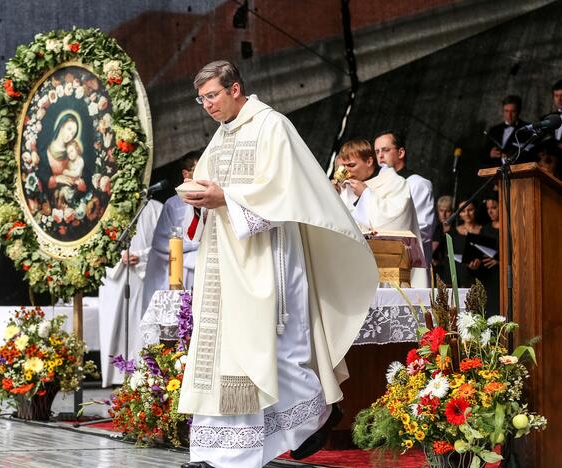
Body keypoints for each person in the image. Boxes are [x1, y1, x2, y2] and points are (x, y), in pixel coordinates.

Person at [178, 60, 378, 468]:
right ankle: (217, 452)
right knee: (225, 352)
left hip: (270, 255)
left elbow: (288, 194)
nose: (207, 105)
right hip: (227, 263)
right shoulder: (220, 137)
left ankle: (308, 418)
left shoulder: (273, 127)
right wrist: (200, 197)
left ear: (235, 89)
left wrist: (225, 199)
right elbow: (210, 184)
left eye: (212, 95)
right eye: (202, 99)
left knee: (273, 349)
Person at [334, 139, 425, 286]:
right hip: (353, 269)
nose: (346, 172)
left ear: (369, 161)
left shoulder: (394, 183)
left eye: (351, 166)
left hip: (389, 269)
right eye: (342, 167)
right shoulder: (347, 187)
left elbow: (395, 221)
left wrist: (366, 195)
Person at [97, 198, 163, 387]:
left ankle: (142, 376)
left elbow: (168, 242)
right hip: (115, 278)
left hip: (144, 274)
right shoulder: (106, 206)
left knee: (140, 324)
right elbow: (97, 245)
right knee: (115, 324)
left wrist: (142, 257)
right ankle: (118, 377)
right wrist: (118, 257)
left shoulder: (156, 208)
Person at [142, 151, 201, 310]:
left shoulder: (212, 202)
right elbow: (162, 244)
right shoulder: (173, 205)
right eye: (199, 170)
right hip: (177, 273)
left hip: (203, 270)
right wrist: (198, 247)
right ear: (186, 174)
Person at [373, 130, 435, 271]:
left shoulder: (418, 184)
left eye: (385, 150)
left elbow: (423, 229)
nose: (380, 156)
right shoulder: (375, 187)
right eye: (377, 152)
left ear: (400, 153)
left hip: (410, 264)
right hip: (379, 261)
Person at [467, 198, 500, 317]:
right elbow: (479, 254)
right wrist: (474, 264)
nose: (490, 212)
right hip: (487, 277)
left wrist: (499, 261)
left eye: (494, 208)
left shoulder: (510, 228)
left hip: (501, 277)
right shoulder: (484, 229)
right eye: (488, 209)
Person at [484, 95, 532, 168]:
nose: (509, 115)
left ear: (519, 111)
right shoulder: (494, 130)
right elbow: (482, 154)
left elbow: (532, 154)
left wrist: (513, 156)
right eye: (506, 111)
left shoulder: (527, 128)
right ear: (502, 111)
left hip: (517, 170)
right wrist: (490, 154)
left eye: (513, 111)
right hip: (495, 171)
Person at [431, 195, 454, 285]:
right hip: (438, 275)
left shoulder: (457, 230)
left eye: (447, 211)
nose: (444, 215)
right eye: (441, 211)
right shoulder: (436, 229)